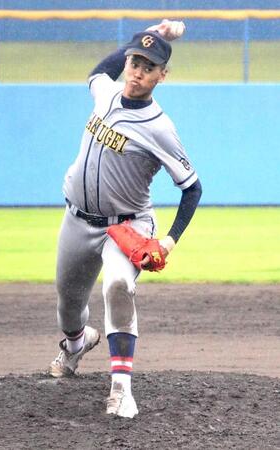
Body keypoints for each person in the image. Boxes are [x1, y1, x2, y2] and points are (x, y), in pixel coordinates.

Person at [49, 20, 202, 419]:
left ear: (161, 76)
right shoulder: (106, 93)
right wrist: (153, 32)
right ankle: (77, 342)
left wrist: (169, 239)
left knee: (117, 285)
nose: (136, 70)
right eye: (134, 60)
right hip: (78, 220)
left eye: (147, 66)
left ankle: (121, 389)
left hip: (126, 226)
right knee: (68, 307)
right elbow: (98, 72)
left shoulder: (161, 128)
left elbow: (192, 187)